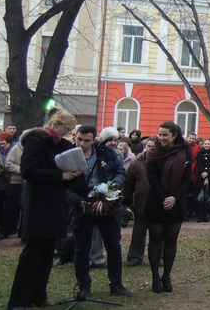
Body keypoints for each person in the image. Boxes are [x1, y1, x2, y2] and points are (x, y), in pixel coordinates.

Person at [6, 109, 82, 310]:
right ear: (56, 124)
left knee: (47, 253)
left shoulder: (62, 145)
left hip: (55, 205)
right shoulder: (36, 142)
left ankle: (38, 296)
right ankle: (17, 301)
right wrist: (60, 176)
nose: (67, 134)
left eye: (70, 131)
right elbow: (29, 171)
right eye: (66, 129)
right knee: (33, 253)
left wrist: (75, 173)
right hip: (39, 205)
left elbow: (69, 166)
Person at [71, 125, 128, 298]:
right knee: (82, 247)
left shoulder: (107, 153)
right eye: (79, 139)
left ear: (94, 140)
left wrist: (114, 185)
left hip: (107, 205)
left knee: (113, 245)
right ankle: (84, 286)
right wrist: (76, 199)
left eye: (86, 140)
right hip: (83, 205)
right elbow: (63, 183)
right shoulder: (69, 156)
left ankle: (116, 284)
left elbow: (120, 171)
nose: (82, 143)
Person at [145, 122, 193, 293]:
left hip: (177, 201)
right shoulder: (153, 153)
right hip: (156, 200)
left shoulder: (184, 152)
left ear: (174, 135)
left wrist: (174, 197)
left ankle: (167, 276)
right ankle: (155, 277)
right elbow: (152, 178)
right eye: (160, 135)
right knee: (156, 238)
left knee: (171, 239)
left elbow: (187, 179)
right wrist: (164, 198)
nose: (162, 138)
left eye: (165, 135)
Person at [123, 137, 154, 267]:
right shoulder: (137, 162)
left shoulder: (163, 161)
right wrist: (127, 200)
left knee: (158, 232)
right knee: (138, 232)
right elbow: (129, 183)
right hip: (141, 202)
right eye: (149, 146)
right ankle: (135, 256)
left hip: (158, 203)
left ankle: (159, 257)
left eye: (154, 146)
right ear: (144, 147)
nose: (151, 148)